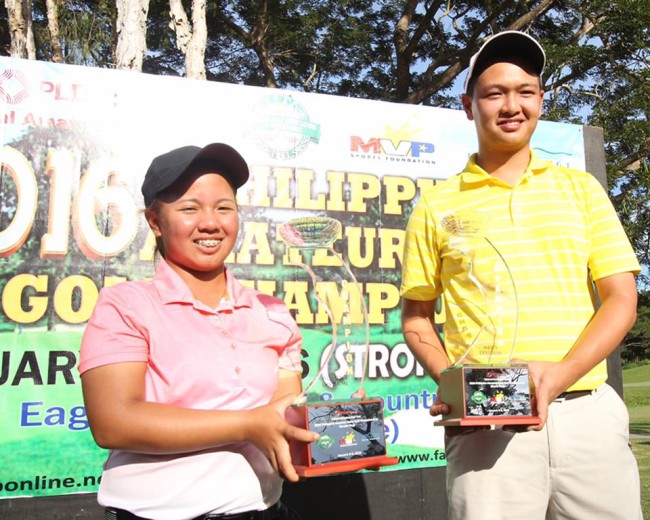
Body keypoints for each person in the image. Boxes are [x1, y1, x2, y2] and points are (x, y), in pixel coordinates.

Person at [400, 31, 643, 519]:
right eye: (494, 93)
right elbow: (417, 318)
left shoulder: (582, 189)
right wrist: (454, 385)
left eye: (525, 91)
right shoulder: (436, 204)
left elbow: (621, 298)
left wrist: (559, 375)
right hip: (487, 428)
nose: (511, 105)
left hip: (587, 412)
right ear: (469, 105)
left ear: (540, 100)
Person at [79, 143, 318, 520]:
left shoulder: (270, 311)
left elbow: (284, 417)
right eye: (189, 208)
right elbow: (114, 421)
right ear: (155, 222)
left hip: (264, 509)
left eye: (224, 208)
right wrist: (246, 424)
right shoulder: (124, 305)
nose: (210, 223)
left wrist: (343, 431)